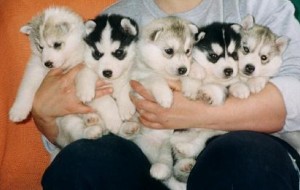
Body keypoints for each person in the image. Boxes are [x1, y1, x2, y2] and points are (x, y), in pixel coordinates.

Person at [33, 0, 300, 189]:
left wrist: (199, 114)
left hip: (246, 153)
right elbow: (75, 113)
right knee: (81, 163)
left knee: (245, 157)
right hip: (142, 150)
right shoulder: (116, 18)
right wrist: (44, 117)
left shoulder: (257, 5)